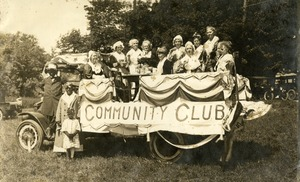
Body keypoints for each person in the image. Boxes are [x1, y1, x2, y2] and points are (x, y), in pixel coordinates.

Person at [39, 63, 63, 138]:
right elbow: (37, 87)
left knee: (57, 116)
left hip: (57, 102)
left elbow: (67, 84)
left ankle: (50, 129)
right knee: (47, 117)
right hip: (47, 102)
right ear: (48, 72)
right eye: (50, 71)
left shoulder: (60, 80)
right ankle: (50, 134)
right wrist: (43, 93)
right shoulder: (46, 80)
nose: (51, 73)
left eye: (53, 71)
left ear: (56, 72)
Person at [53, 83, 78, 153]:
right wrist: (58, 119)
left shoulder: (76, 97)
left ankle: (73, 151)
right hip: (63, 119)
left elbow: (79, 108)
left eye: (70, 88)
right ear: (65, 89)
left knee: (72, 134)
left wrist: (78, 118)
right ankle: (62, 150)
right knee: (63, 134)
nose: (68, 89)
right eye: (67, 88)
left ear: (72, 89)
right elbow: (59, 108)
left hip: (72, 119)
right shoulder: (62, 97)